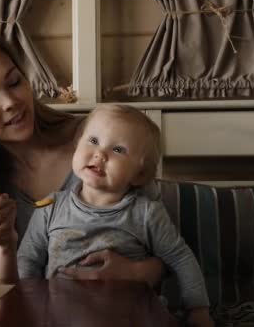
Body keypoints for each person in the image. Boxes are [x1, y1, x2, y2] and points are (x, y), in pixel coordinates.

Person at [0, 35, 164, 285]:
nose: (10, 102)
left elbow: (168, 258)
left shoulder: (100, 140)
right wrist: (2, 246)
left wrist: (133, 273)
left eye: (14, 82)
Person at [17, 104, 213, 326]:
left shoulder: (146, 212)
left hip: (132, 316)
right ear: (77, 145)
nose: (100, 154)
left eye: (118, 150)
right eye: (93, 140)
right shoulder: (49, 208)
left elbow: (180, 257)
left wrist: (198, 310)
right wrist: (29, 305)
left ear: (140, 174)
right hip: (62, 314)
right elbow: (28, 259)